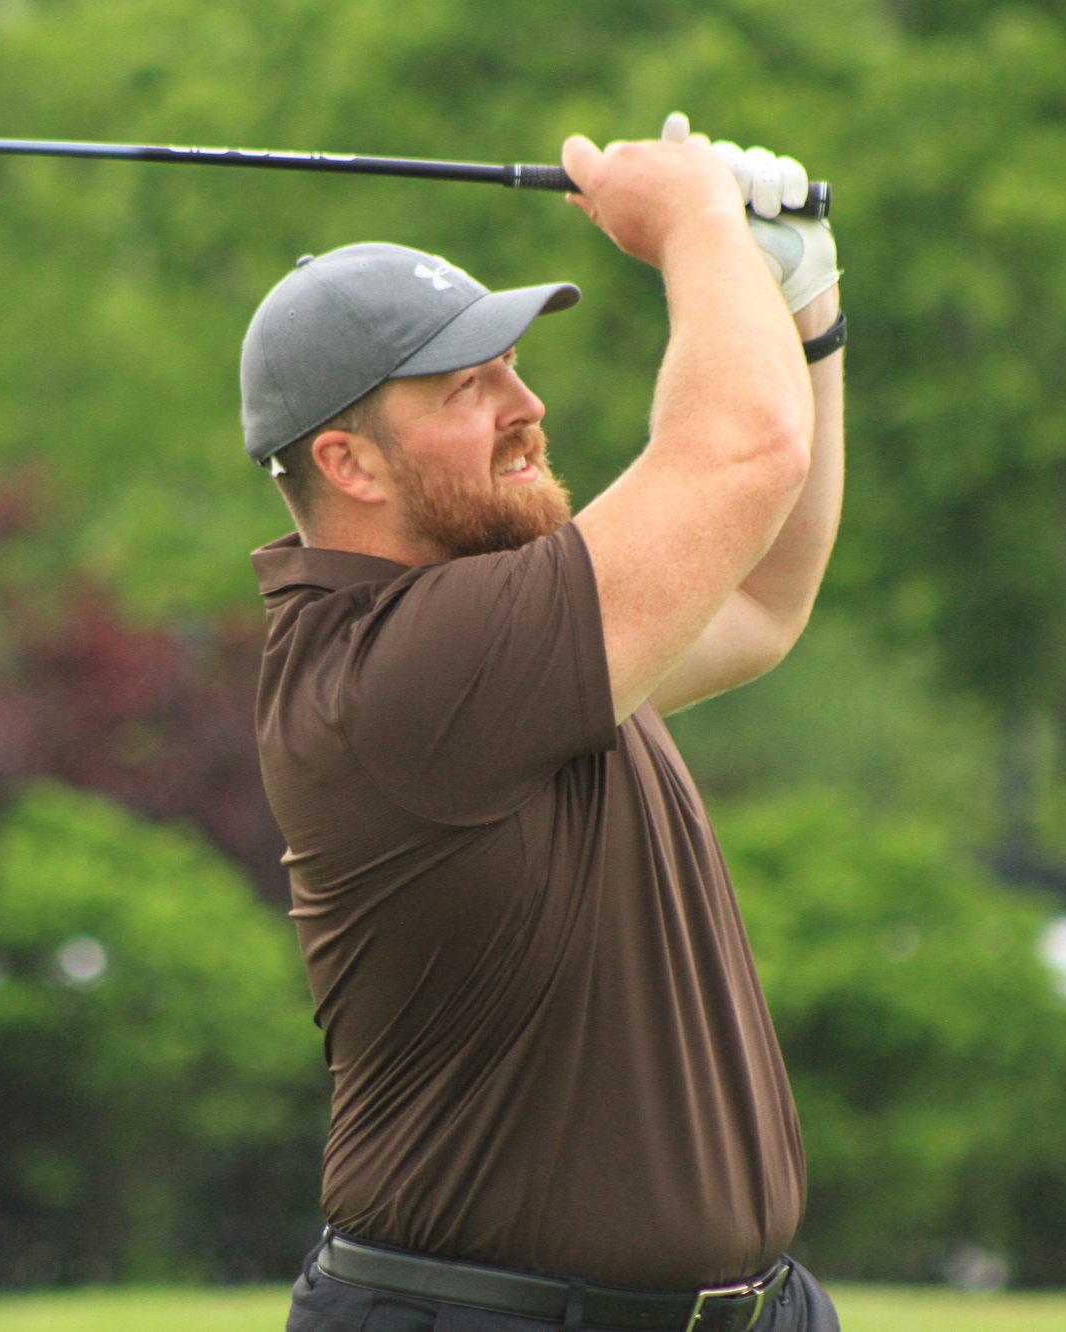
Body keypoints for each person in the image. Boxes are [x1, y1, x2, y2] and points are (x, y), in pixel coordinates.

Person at [241, 115, 847, 1332]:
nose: (527, 405)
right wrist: (694, 231)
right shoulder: (410, 670)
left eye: (514, 366)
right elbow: (741, 451)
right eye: (470, 387)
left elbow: (755, 596)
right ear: (348, 464)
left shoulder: (510, 646)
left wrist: (803, 311)